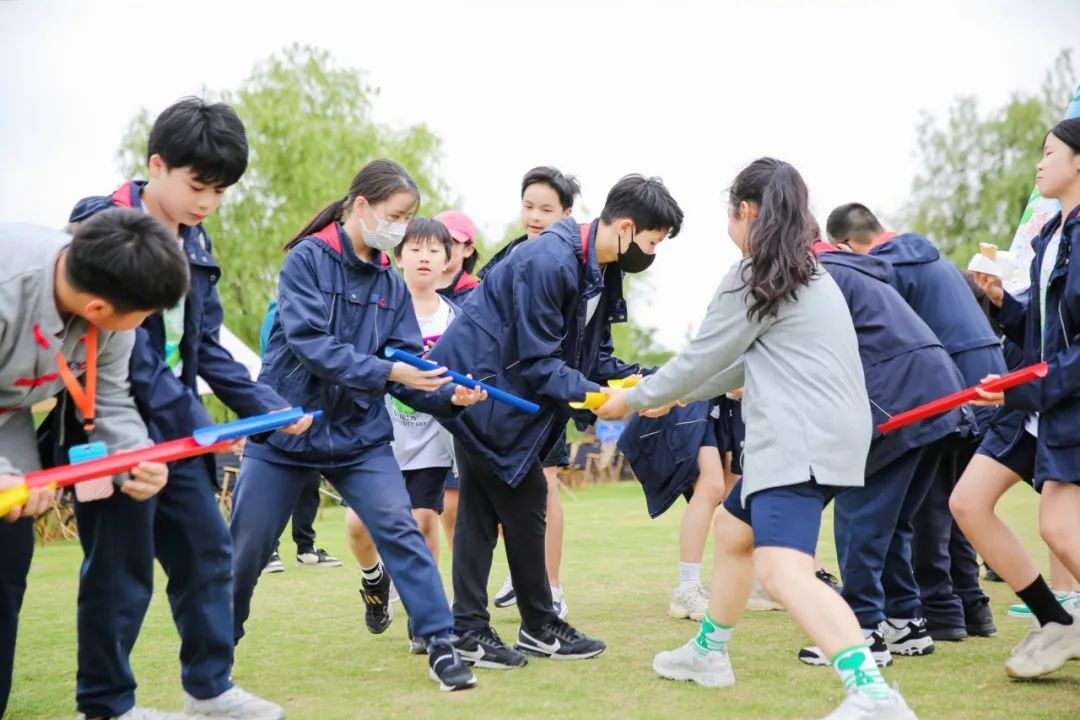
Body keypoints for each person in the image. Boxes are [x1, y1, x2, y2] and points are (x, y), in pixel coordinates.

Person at [596, 158, 916, 719]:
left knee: (784, 570)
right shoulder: (805, 273)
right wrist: (680, 393)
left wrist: (636, 398)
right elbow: (742, 363)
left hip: (799, 439)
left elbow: (702, 354)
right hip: (830, 433)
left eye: (729, 213)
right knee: (733, 529)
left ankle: (872, 694)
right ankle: (709, 653)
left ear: (744, 210)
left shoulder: (755, 273)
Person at [52, 97, 311, 720]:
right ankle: (107, 705)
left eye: (220, 192)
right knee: (120, 568)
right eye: (198, 186)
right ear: (157, 165)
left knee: (208, 554)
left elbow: (205, 348)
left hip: (178, 431)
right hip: (107, 427)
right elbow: (129, 361)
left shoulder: (196, 239)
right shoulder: (104, 228)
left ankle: (209, 689)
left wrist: (271, 407)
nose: (207, 203)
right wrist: (207, 430)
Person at [228, 159, 485, 692]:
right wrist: (391, 369)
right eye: (397, 216)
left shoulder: (390, 283)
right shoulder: (307, 260)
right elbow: (311, 343)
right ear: (361, 206)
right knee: (248, 548)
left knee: (403, 530)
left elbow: (409, 366)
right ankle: (214, 655)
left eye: (410, 217)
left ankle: (439, 644)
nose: (402, 228)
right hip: (286, 428)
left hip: (359, 437)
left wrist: (449, 396)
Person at [429, 174, 681, 669]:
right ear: (627, 228)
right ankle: (535, 626)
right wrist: (600, 399)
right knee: (524, 512)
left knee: (481, 516)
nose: (652, 254)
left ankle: (472, 629)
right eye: (652, 243)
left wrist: (648, 382)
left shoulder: (604, 270)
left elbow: (595, 355)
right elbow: (539, 360)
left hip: (513, 398)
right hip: (485, 391)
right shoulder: (550, 259)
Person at [0, 212, 182, 718]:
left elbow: (110, 399)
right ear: (99, 306)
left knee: (7, 558)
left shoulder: (110, 303)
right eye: (143, 314)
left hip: (6, 415)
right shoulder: (6, 286)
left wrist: (135, 458)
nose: (143, 323)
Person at [827, 202, 1005, 641]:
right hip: (988, 382)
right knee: (955, 503)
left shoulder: (884, 268)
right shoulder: (930, 257)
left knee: (927, 507)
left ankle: (936, 611)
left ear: (846, 246)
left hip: (949, 391)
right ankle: (967, 609)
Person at [795, 240, 971, 669]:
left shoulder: (819, 275)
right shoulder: (854, 269)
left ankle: (860, 627)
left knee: (859, 514)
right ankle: (903, 620)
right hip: (938, 390)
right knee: (892, 521)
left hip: (898, 398)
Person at [953, 117, 1080, 679]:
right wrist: (1004, 304)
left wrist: (1016, 391)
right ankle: (1056, 621)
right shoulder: (1052, 236)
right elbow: (1047, 333)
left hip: (1063, 401)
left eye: (1049, 152)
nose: (1039, 163)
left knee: (1058, 527)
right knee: (967, 504)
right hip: (1037, 400)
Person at [479, 166, 582, 619]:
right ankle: (522, 573)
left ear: (566, 214)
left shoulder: (570, 262)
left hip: (547, 389)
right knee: (504, 485)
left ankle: (552, 585)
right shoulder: (508, 257)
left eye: (546, 209)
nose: (535, 216)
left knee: (547, 485)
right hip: (505, 393)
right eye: (528, 206)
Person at [619, 398, 734, 621]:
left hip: (728, 404)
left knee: (732, 488)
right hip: (698, 399)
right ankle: (687, 586)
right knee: (712, 485)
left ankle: (735, 581)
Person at [256, 302, 340, 572]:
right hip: (282, 403)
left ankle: (305, 546)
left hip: (312, 404)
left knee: (310, 481)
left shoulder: (322, 304)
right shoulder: (278, 310)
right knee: (279, 482)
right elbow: (274, 358)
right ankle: (269, 550)